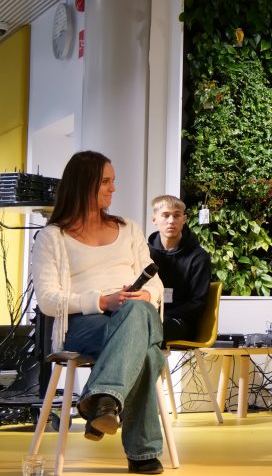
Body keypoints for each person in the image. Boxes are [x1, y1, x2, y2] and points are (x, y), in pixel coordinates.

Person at [32, 151, 167, 475]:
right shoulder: (53, 237)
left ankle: (102, 399)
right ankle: (142, 452)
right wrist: (101, 302)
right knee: (147, 354)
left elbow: (156, 281)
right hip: (84, 324)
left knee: (137, 310)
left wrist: (146, 293)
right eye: (106, 181)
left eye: (113, 181)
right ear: (85, 185)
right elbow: (49, 300)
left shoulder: (129, 229)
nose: (113, 188)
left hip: (136, 313)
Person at [148, 195, 211, 343]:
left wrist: (162, 315)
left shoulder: (199, 257)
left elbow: (197, 303)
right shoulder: (144, 254)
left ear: (184, 219)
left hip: (181, 322)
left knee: (146, 327)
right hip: (147, 316)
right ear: (154, 220)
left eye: (176, 215)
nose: (171, 221)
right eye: (165, 215)